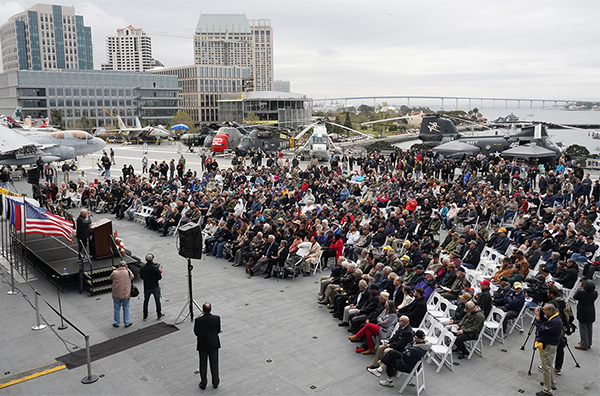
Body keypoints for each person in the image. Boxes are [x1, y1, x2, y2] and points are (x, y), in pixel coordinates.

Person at [535, 303, 562, 396]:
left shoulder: (555, 321)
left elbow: (542, 329)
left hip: (549, 345)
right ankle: (551, 383)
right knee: (549, 365)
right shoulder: (554, 317)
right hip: (551, 343)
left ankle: (547, 390)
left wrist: (538, 318)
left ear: (551, 311)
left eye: (545, 310)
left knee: (546, 367)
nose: (543, 311)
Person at [194, 302, 221, 390]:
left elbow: (196, 332)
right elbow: (218, 330)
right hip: (213, 344)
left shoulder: (198, 320)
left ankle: (204, 383)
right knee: (214, 364)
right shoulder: (216, 318)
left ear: (202, 310)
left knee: (203, 364)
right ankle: (215, 382)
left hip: (203, 345)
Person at [572, 280, 597, 351]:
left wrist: (579, 288)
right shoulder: (595, 293)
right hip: (591, 311)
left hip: (583, 311)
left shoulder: (581, 292)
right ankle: (588, 342)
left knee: (583, 328)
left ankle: (584, 344)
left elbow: (575, 297)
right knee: (589, 327)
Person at [139, 253, 164, 321]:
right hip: (155, 286)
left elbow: (141, 277)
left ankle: (145, 315)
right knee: (157, 301)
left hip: (147, 287)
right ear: (152, 259)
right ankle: (159, 314)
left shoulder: (143, 268)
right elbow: (159, 277)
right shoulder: (155, 268)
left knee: (146, 301)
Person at [109, 261, 134, 328]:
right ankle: (127, 322)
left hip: (116, 294)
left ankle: (116, 323)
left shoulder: (115, 272)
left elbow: (110, 278)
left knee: (116, 308)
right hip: (126, 294)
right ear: (126, 266)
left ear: (119, 266)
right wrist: (127, 269)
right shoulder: (128, 272)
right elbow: (132, 277)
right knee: (126, 308)